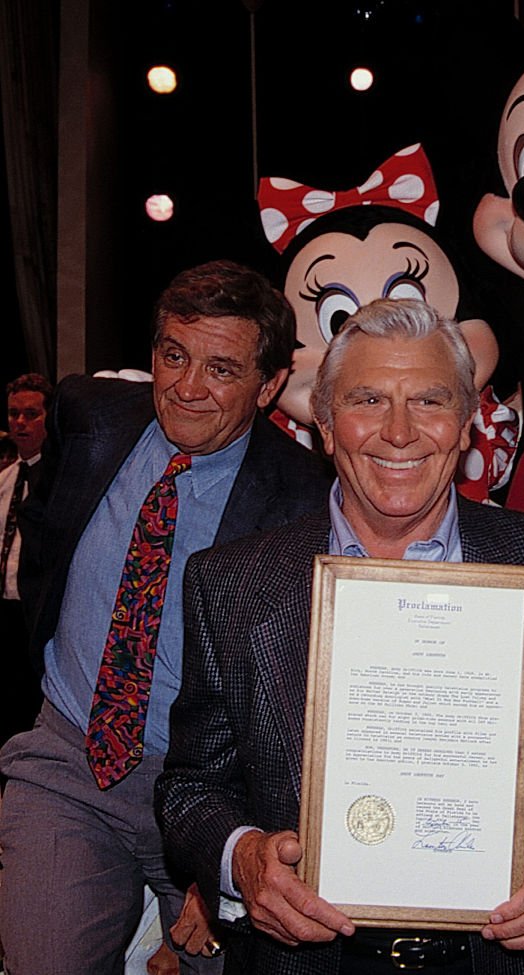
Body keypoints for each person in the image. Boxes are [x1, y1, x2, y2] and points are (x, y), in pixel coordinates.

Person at [155, 297, 524, 974]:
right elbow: (190, 786)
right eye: (369, 399)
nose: (400, 432)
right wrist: (242, 856)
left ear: (466, 424)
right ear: (324, 423)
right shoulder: (230, 583)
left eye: (430, 401)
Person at [0, 260, 333, 975]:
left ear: (270, 385)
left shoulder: (305, 501)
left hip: (212, 795)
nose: (186, 387)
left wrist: (233, 847)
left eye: (221, 368)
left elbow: (303, 698)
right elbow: (45, 544)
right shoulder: (87, 415)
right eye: (173, 354)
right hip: (67, 761)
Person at [0, 372, 53, 748]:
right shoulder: (4, 480)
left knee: (30, 714)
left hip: (36, 615)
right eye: (13, 414)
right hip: (2, 611)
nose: (20, 422)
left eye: (31, 414)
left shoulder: (59, 481)